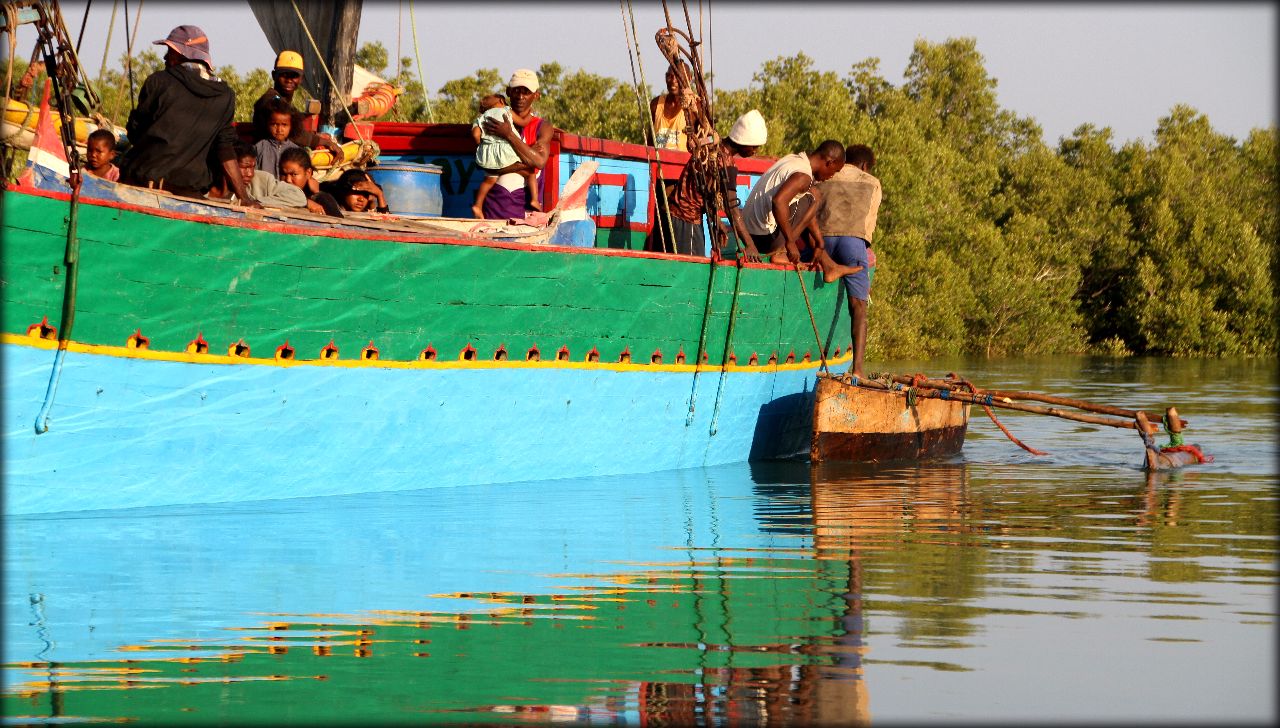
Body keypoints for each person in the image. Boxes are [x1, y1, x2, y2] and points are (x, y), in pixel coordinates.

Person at [119, 25, 258, 205]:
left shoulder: (159, 82)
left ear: (179, 53)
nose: (165, 57)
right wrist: (244, 198)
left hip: (144, 186)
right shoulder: (225, 95)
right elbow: (225, 150)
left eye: (169, 51)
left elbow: (136, 133)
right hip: (189, 195)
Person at [647, 109, 767, 258]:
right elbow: (731, 208)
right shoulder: (726, 163)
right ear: (744, 142)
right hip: (687, 221)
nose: (755, 151)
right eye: (754, 146)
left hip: (671, 216)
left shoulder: (710, 146)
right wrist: (750, 245)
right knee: (691, 273)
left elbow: (703, 189)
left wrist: (715, 218)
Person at [741, 139, 860, 283]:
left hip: (751, 232)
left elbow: (804, 213)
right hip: (763, 236)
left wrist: (819, 242)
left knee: (810, 195)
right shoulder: (803, 176)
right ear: (829, 162)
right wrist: (790, 243)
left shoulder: (795, 160)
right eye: (834, 171)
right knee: (813, 197)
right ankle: (781, 252)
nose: (832, 176)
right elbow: (778, 202)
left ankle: (829, 266)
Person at [816, 144, 881, 378]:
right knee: (859, 307)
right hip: (853, 242)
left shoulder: (827, 175)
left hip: (822, 241)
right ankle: (858, 370)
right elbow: (868, 228)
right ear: (864, 166)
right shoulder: (872, 182)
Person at [479, 69, 554, 220]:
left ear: (536, 95)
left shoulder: (542, 126)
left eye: (526, 92)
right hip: (493, 212)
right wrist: (526, 163)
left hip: (527, 217)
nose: (520, 97)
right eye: (516, 91)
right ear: (508, 92)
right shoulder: (494, 119)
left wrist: (508, 134)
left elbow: (539, 161)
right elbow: (486, 164)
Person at [251, 50, 342, 156]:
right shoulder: (270, 102)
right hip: (268, 155)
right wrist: (325, 142)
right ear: (274, 75)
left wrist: (317, 136)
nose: (289, 80)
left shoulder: (283, 102)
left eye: (294, 76)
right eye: (284, 75)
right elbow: (294, 135)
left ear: (301, 79)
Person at [471, 93, 540, 218]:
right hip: (507, 154)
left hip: (489, 156)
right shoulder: (506, 111)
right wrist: (530, 114)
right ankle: (534, 199)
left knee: (489, 181)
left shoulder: (481, 118)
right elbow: (523, 122)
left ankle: (477, 205)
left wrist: (482, 145)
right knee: (529, 171)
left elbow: (476, 135)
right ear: (502, 101)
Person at [206, 142, 308, 209]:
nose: (250, 174)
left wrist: (253, 202)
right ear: (229, 166)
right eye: (245, 168)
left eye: (252, 167)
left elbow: (298, 196)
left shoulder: (262, 179)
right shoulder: (205, 186)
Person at [278, 146, 344, 217]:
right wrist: (305, 202)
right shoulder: (274, 189)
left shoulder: (316, 196)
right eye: (283, 174)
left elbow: (337, 218)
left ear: (308, 173)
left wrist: (317, 194)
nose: (288, 180)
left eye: (294, 174)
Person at [254, 97, 301, 178]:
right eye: (274, 124)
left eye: (284, 125)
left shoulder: (296, 151)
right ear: (267, 124)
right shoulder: (259, 148)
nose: (279, 129)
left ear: (292, 126)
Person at [649, 62, 690, 152]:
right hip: (658, 164)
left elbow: (708, 139)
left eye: (678, 77)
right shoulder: (656, 105)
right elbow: (650, 142)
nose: (673, 81)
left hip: (684, 165)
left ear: (688, 79)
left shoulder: (694, 107)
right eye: (670, 76)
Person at [323, 168, 388, 213]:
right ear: (344, 191)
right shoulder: (330, 205)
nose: (361, 199)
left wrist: (379, 195)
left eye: (365, 194)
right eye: (357, 193)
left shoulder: (364, 213)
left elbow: (386, 221)